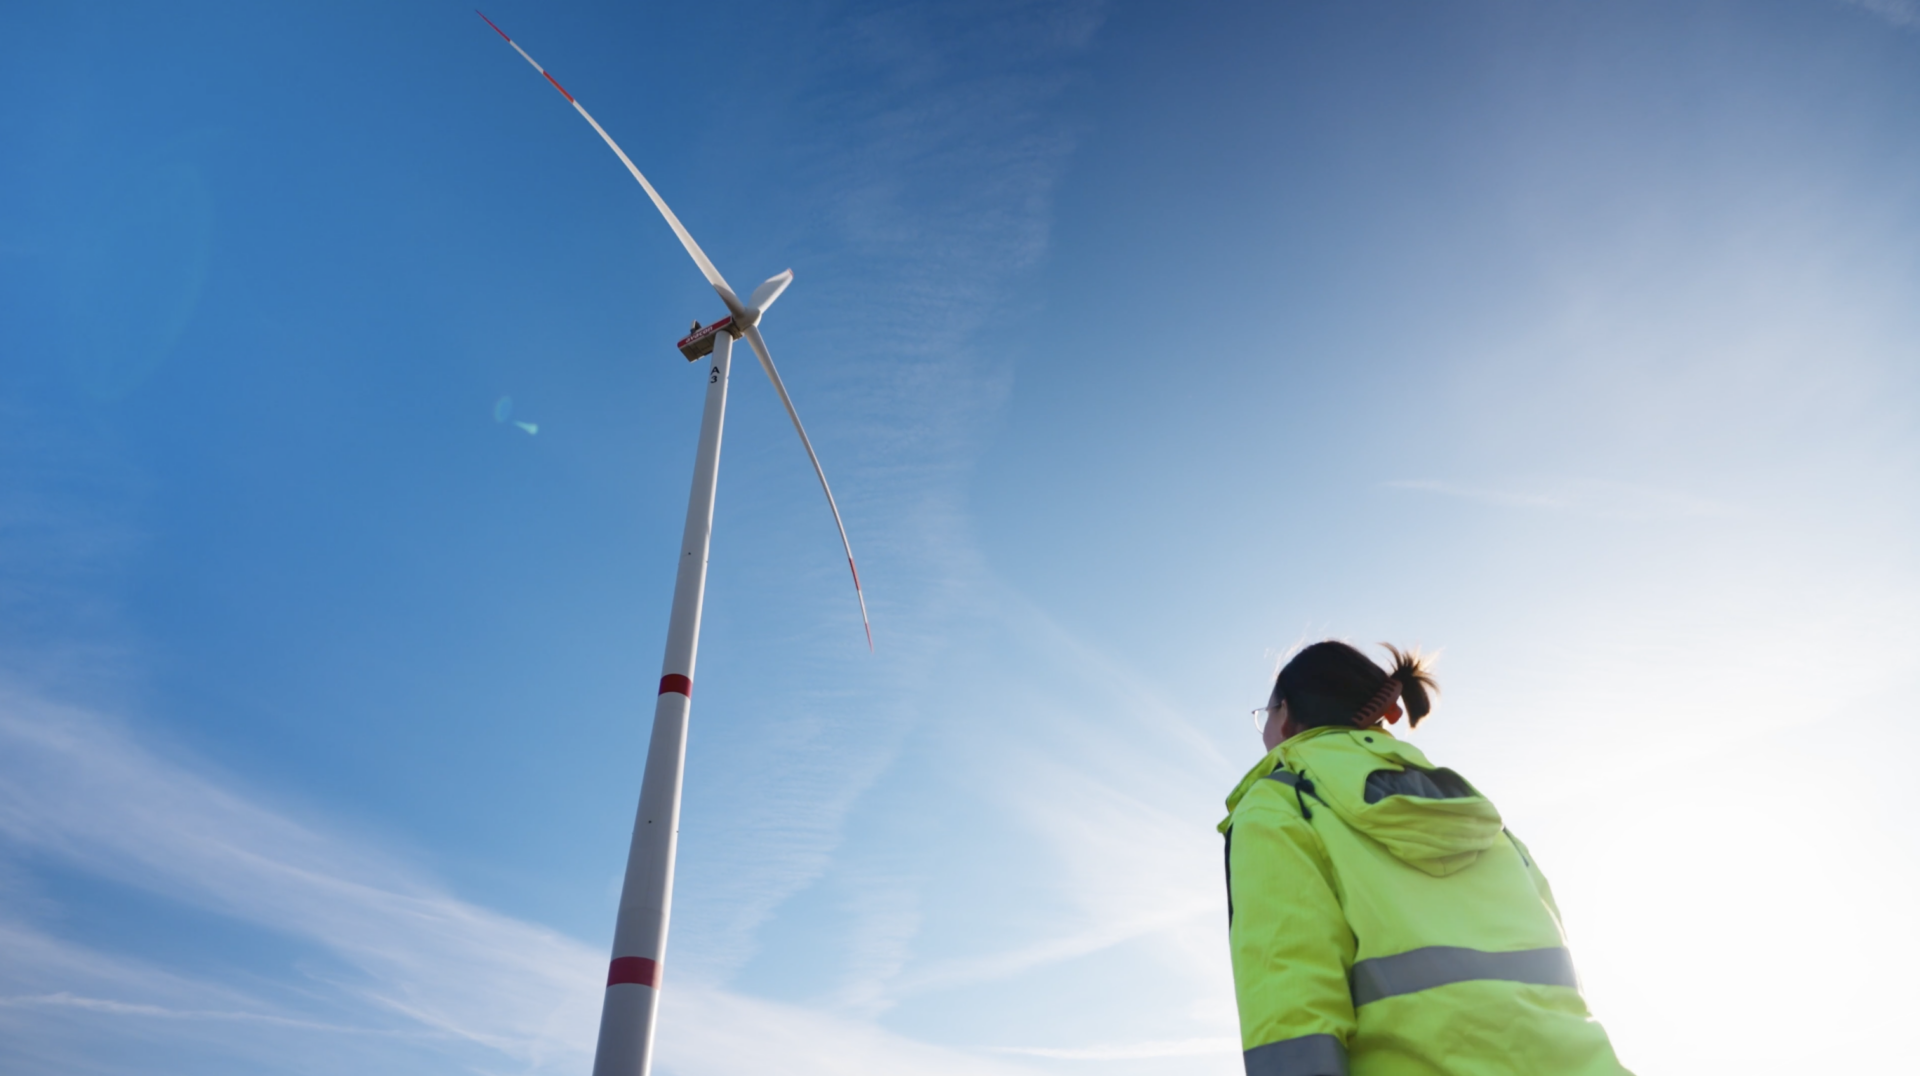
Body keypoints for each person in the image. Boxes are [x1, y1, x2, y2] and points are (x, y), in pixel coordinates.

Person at [1220, 641, 1632, 1076]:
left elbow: (1289, 988)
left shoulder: (1279, 803)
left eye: (1265, 715)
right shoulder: (1475, 811)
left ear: (1285, 716)